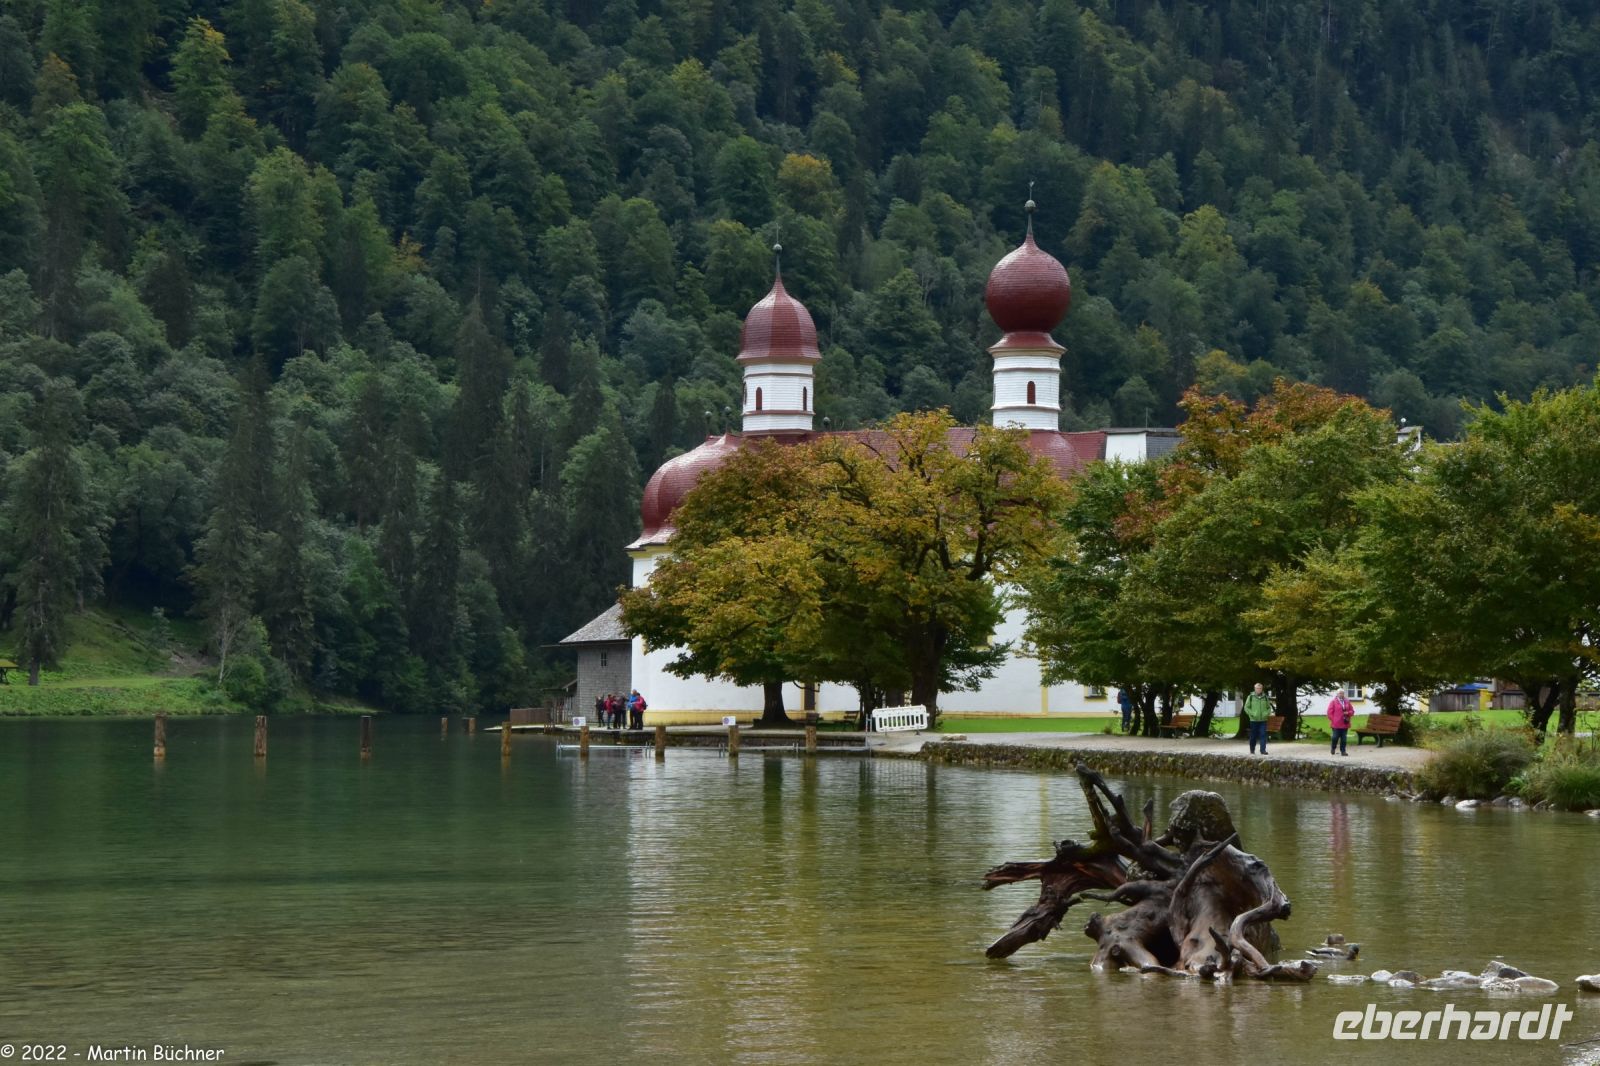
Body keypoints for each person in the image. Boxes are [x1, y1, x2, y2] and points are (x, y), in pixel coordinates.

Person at [1243, 682, 1273, 755]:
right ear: (1255, 689)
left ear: (1262, 689)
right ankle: (1252, 750)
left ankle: (1263, 750)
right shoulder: (1250, 697)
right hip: (1254, 720)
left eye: (1260, 688)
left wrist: (1266, 714)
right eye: (1257, 688)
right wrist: (1252, 714)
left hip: (1263, 720)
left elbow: (1269, 708)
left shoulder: (1265, 697)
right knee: (1253, 736)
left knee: (1263, 735)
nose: (1259, 690)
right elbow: (1246, 707)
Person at [1327, 690, 1354, 756]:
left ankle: (1343, 751)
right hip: (1336, 724)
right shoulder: (1333, 702)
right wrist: (1333, 720)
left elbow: (1352, 711)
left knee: (1344, 739)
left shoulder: (1347, 701)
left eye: (1342, 693)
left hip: (1345, 723)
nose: (1341, 694)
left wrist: (1348, 713)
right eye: (1340, 693)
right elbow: (1329, 712)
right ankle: (1333, 748)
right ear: (1337, 694)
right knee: (1335, 737)